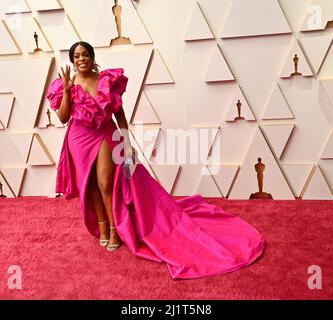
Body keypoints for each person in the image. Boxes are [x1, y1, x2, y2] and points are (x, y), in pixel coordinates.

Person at [47, 41, 265, 279]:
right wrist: (67, 90)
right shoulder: (65, 85)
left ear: (92, 56)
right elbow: (63, 117)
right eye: (77, 55)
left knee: (105, 183)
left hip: (104, 135)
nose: (81, 59)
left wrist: (127, 142)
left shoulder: (106, 80)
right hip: (79, 137)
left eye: (85, 54)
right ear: (72, 59)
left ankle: (113, 230)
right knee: (89, 185)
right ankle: (101, 225)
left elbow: (119, 114)